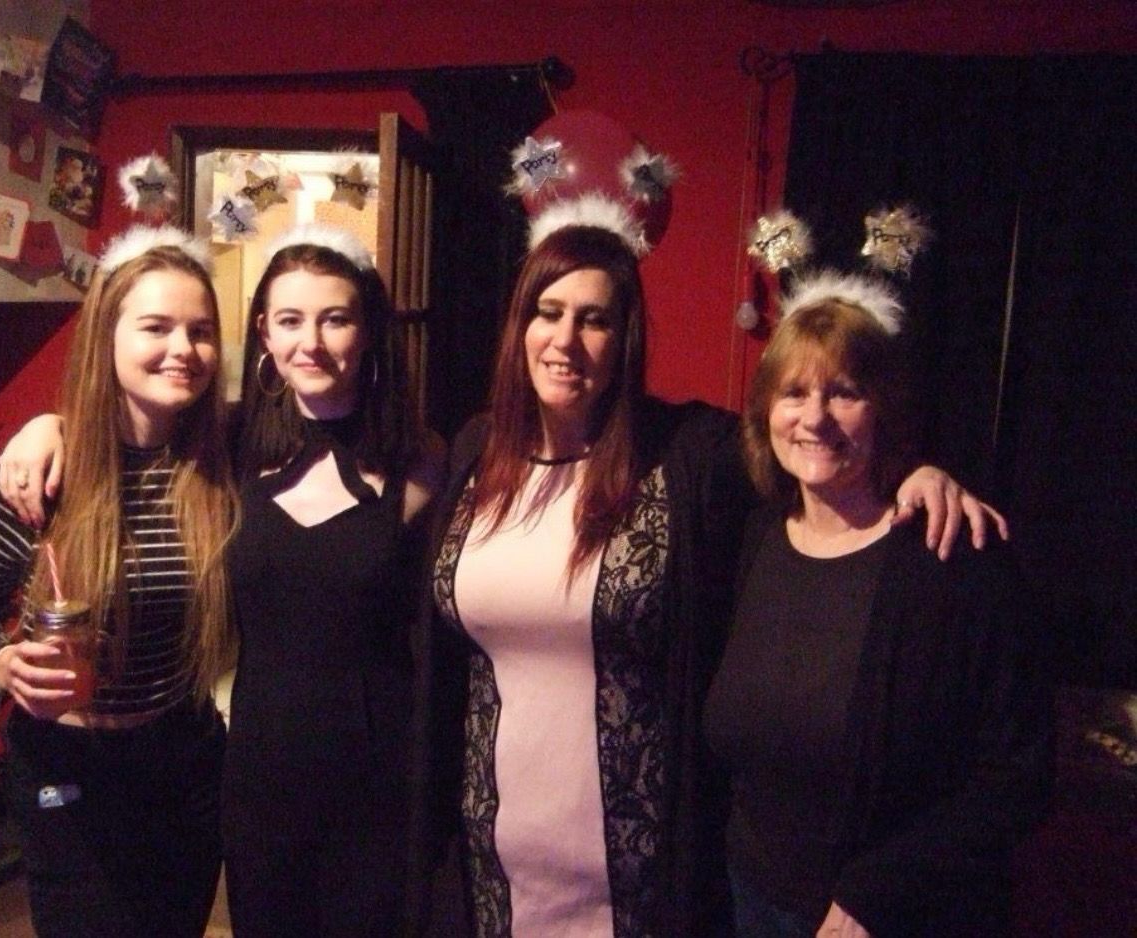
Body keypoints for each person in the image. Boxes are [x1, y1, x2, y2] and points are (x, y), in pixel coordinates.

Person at [411, 219, 1006, 937]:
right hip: (493, 853)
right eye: (549, 312)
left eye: (595, 320)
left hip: (638, 865)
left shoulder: (685, 451)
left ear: (625, 338)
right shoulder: (480, 452)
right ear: (521, 325)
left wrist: (915, 472)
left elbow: (806, 447)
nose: (566, 341)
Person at [0, 224, 445, 937]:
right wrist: (46, 424)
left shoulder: (422, 460)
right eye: (290, 320)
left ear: (369, 330)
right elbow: (116, 433)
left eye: (336, 318)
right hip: (258, 771)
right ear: (263, 333)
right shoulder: (228, 450)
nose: (313, 342)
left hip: (377, 771)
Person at [702, 273, 1051, 937]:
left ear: (883, 409)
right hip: (747, 898)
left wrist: (879, 891)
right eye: (795, 392)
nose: (814, 417)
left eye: (845, 392)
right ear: (764, 411)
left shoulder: (954, 557)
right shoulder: (752, 538)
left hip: (891, 919)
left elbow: (1017, 779)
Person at [0, 226, 236, 937]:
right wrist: (5, 664)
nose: (183, 349)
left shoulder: (222, 465)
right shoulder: (38, 475)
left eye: (200, 331)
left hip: (185, 760)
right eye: (156, 327)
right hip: (69, 765)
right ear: (107, 334)